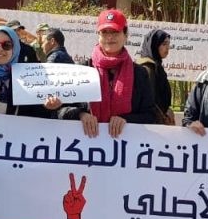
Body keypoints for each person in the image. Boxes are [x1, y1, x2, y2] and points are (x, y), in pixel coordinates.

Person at [62, 9, 157, 138]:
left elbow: (150, 115)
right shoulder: (82, 69)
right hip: (84, 144)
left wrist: (126, 119)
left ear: (125, 35)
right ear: (98, 35)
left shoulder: (139, 74)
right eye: (104, 32)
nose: (110, 37)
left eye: (115, 32)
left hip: (125, 144)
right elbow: (62, 109)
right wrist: (80, 114)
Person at [0, 25, 62, 117]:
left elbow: (35, 115)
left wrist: (48, 107)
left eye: (7, 45)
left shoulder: (26, 80)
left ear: (15, 49)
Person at [136, 29, 174, 125]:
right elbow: (151, 101)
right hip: (152, 124)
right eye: (164, 44)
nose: (167, 47)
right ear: (154, 45)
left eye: (168, 44)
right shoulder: (147, 68)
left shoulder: (157, 67)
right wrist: (164, 116)